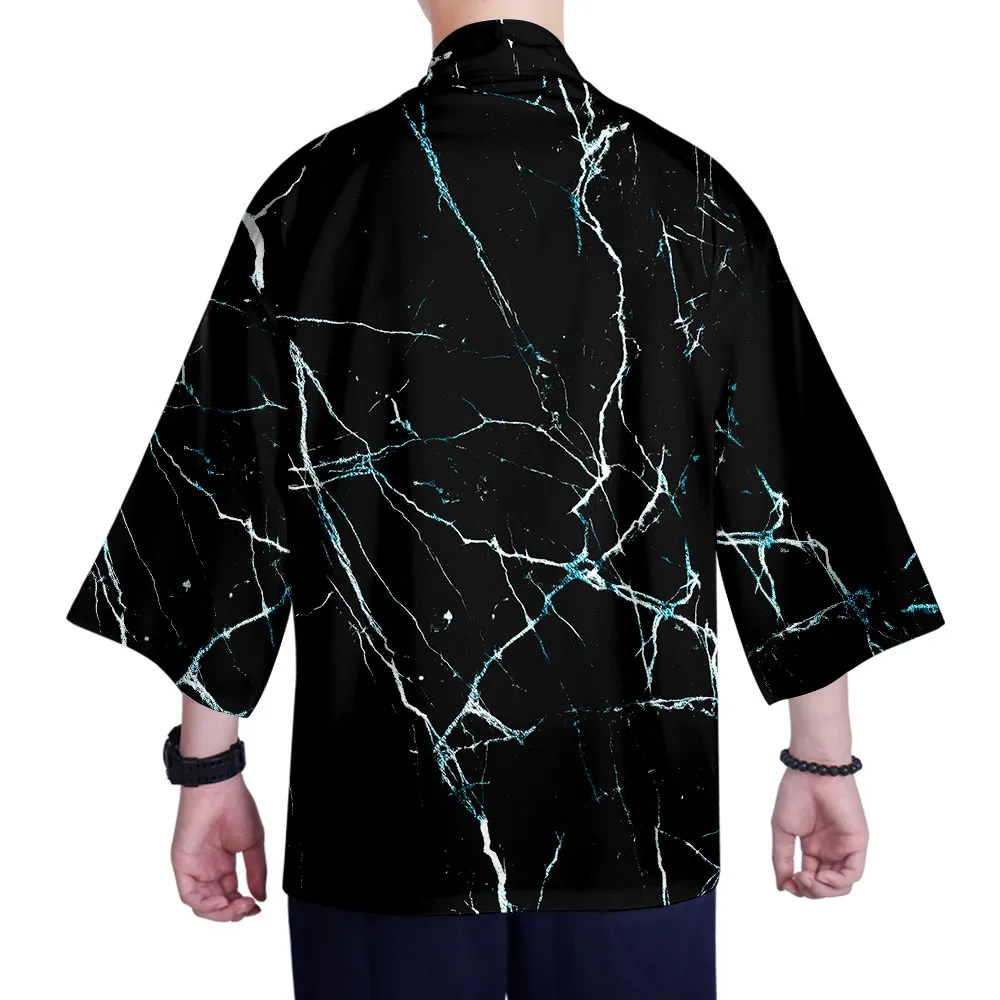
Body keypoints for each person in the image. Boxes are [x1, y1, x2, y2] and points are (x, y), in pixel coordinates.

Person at [65, 2, 945, 997]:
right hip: (635, 830)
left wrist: (208, 768)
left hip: (382, 829)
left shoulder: (311, 196)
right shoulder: (692, 197)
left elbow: (230, 511)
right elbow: (786, 496)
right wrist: (822, 760)